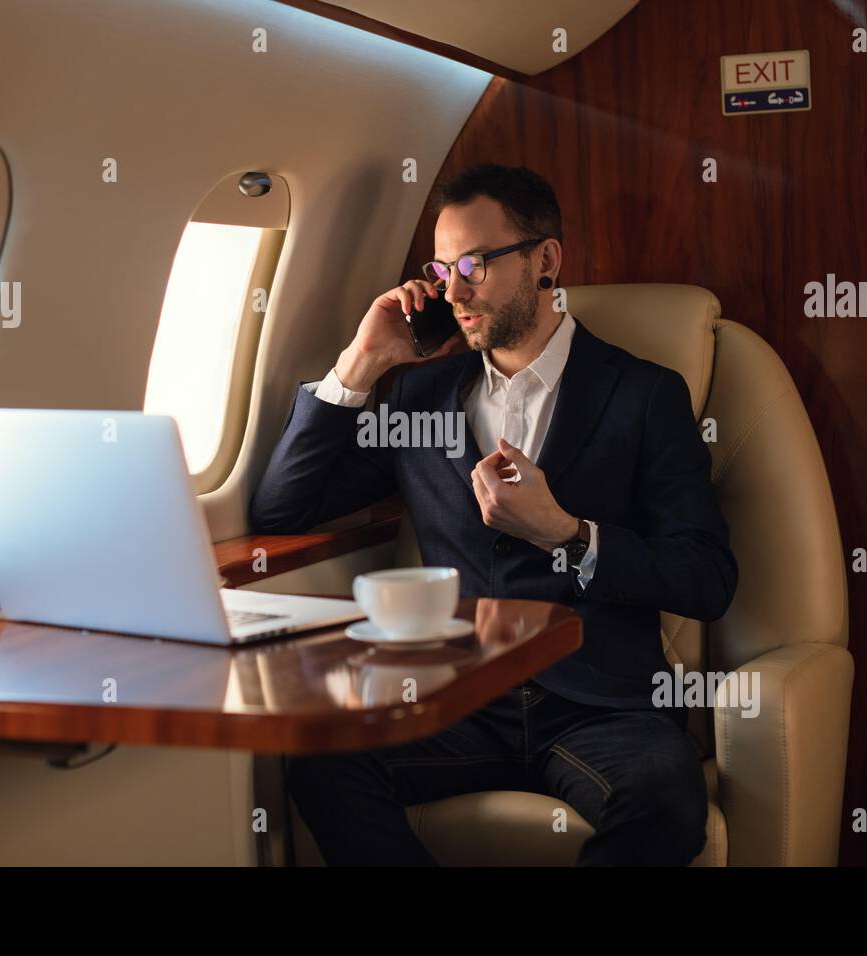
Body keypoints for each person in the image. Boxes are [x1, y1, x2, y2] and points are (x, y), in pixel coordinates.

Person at [250, 163, 738, 865]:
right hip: (458, 701)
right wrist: (361, 362)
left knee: (665, 803)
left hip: (601, 706)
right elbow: (282, 506)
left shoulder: (644, 395)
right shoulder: (418, 398)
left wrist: (568, 535)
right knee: (323, 763)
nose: (453, 289)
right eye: (441, 267)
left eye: (475, 263)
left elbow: (707, 577)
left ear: (546, 262)